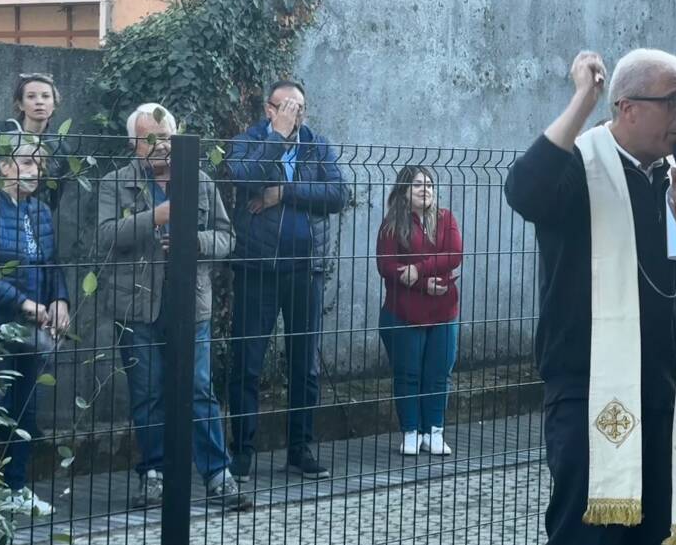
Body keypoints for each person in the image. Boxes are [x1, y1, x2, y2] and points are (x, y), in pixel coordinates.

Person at [505, 49, 676, 545]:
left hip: (661, 390)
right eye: (673, 101)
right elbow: (523, 190)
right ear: (627, 108)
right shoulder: (578, 167)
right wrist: (582, 97)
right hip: (588, 392)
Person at [98, 103, 250, 510]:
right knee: (147, 393)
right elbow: (106, 238)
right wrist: (156, 216)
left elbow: (227, 237)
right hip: (137, 307)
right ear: (134, 144)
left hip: (190, 303)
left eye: (166, 137)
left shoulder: (198, 181)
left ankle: (219, 475)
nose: (161, 146)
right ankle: (154, 474)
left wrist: (194, 241)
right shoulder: (116, 183)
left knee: (199, 389)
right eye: (151, 139)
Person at [225, 80, 350, 481]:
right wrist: (277, 139)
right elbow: (241, 177)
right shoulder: (249, 141)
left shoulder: (317, 144)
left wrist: (285, 192)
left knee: (304, 364)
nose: (295, 115)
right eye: (287, 107)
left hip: (305, 268)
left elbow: (337, 195)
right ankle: (241, 452)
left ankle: (300, 449)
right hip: (257, 267)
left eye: (300, 108)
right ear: (269, 110)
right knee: (247, 362)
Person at [0, 138, 69, 515]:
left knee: (24, 409)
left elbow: (52, 263)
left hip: (33, 328)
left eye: (38, 164)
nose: (34, 170)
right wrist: (23, 302)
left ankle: (15, 487)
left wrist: (61, 298)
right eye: (26, 162)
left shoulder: (41, 211)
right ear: (3, 166)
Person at [376, 166, 462, 455]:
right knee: (408, 374)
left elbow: (454, 254)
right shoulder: (392, 224)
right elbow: (386, 266)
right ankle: (411, 431)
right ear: (403, 191)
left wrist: (417, 269)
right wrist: (424, 284)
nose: (425, 190)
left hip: (444, 311)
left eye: (429, 185)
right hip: (404, 312)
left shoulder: (446, 218)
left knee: (439, 374)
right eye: (417, 185)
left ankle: (434, 431)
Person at [0, 73, 73, 209]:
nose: (39, 102)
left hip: (34, 215)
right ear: (20, 104)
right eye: (31, 96)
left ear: (54, 104)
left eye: (46, 96)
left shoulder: (60, 147)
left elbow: (54, 197)